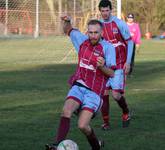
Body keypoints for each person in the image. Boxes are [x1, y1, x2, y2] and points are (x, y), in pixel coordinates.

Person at [45, 17, 116, 150]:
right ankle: (57, 144)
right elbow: (68, 30)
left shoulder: (108, 48)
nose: (93, 35)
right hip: (79, 85)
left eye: (96, 32)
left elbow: (112, 73)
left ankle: (96, 146)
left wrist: (102, 66)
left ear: (101, 33)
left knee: (82, 125)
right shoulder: (82, 41)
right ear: (87, 32)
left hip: (94, 92)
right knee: (66, 111)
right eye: (90, 32)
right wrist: (67, 21)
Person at [98, 0, 134, 130]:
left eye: (107, 10)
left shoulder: (119, 23)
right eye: (102, 11)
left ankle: (125, 112)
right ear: (100, 11)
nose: (105, 13)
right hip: (105, 65)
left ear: (110, 10)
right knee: (104, 94)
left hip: (119, 64)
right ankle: (106, 123)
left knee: (116, 95)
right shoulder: (99, 26)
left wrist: (128, 62)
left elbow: (130, 42)